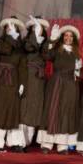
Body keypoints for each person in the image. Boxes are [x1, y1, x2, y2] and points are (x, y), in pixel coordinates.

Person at [38, 24, 82, 154]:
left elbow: (80, 73)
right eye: (66, 35)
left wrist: (79, 71)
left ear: (74, 39)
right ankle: (46, 144)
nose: (68, 38)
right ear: (62, 37)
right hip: (57, 81)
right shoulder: (56, 49)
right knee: (52, 109)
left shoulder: (76, 53)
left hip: (70, 84)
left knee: (66, 112)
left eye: (71, 36)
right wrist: (51, 39)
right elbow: (46, 55)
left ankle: (62, 145)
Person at [0, 16, 27, 152]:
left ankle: (8, 142)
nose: (11, 29)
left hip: (13, 79)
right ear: (5, 29)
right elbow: (6, 50)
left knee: (11, 110)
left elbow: (22, 66)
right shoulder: (0, 42)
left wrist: (22, 83)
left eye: (14, 27)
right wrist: (12, 37)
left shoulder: (20, 47)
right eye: (9, 26)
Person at [20, 16, 50, 147]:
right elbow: (30, 48)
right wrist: (35, 37)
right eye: (35, 27)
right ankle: (20, 141)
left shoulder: (45, 44)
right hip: (27, 75)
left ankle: (28, 140)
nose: (38, 29)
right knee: (24, 106)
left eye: (40, 27)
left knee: (35, 106)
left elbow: (47, 55)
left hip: (39, 77)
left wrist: (51, 40)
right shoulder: (26, 42)